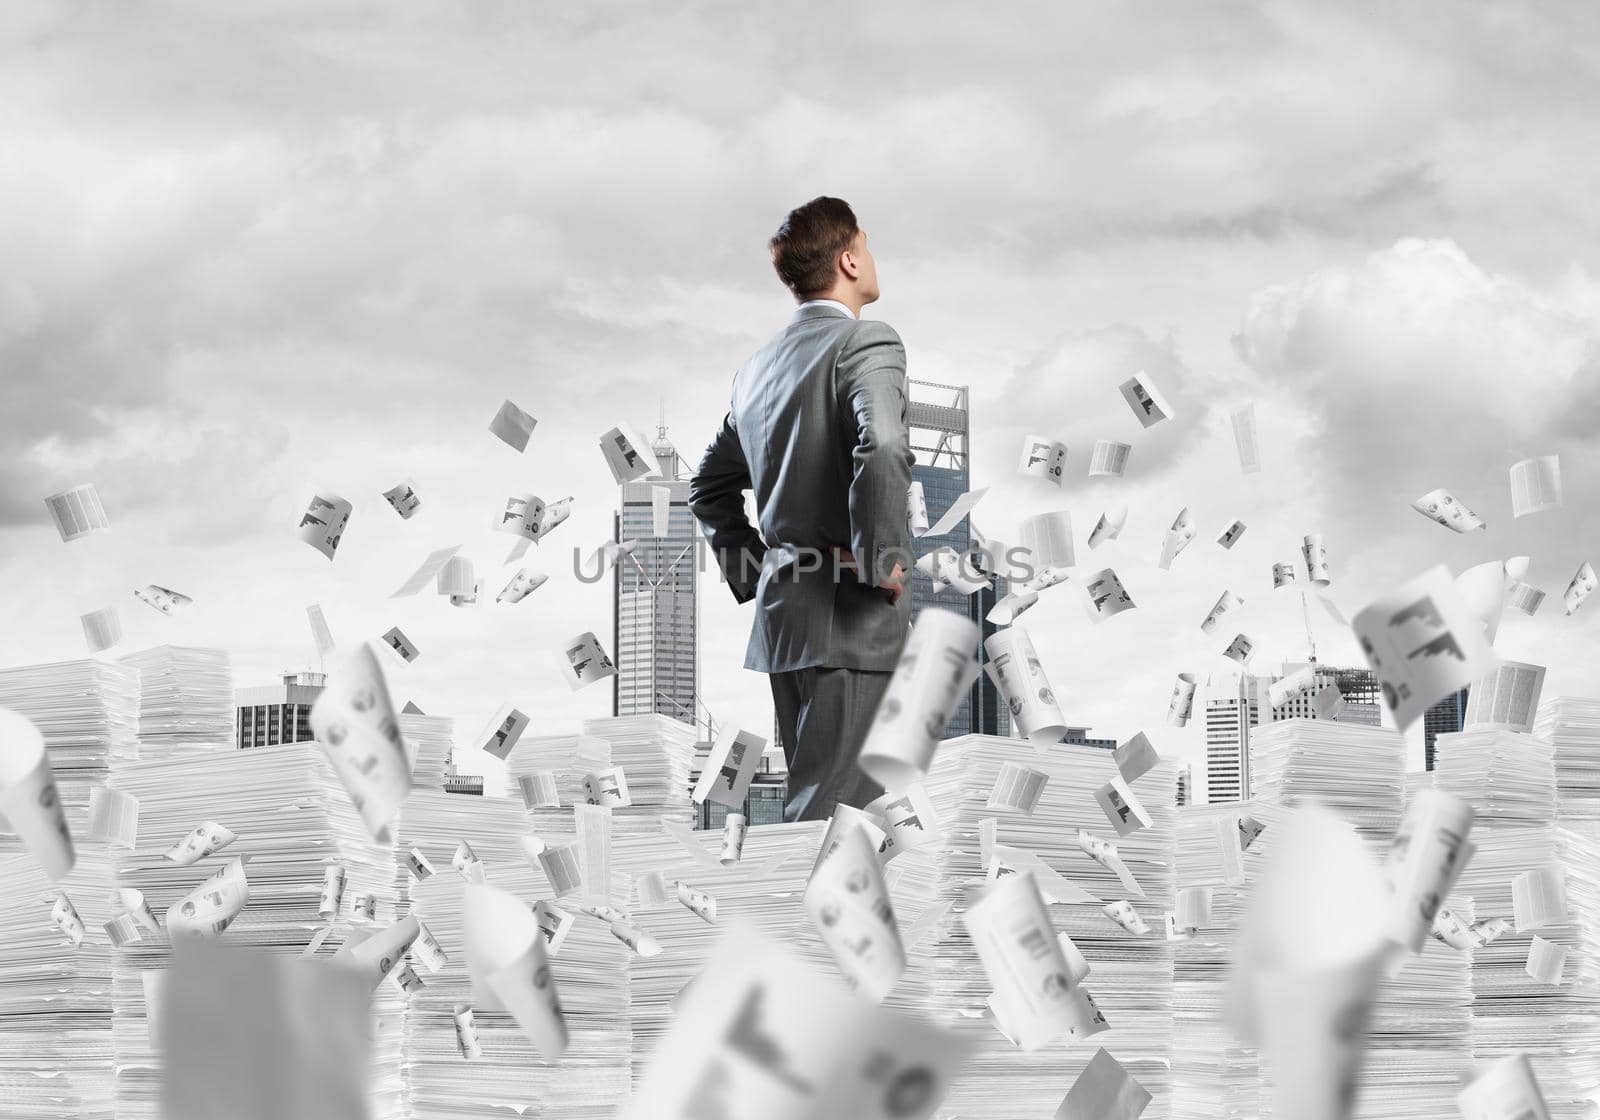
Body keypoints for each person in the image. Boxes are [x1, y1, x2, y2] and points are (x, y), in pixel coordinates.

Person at [688, 196, 913, 822]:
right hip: (851, 620)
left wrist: (758, 573)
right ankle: (808, 922)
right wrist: (881, 559)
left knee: (825, 803)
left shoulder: (755, 371)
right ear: (849, 257)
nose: (870, 258)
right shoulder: (866, 342)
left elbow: (707, 488)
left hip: (786, 619)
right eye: (866, 245)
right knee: (839, 819)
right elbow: (886, 441)